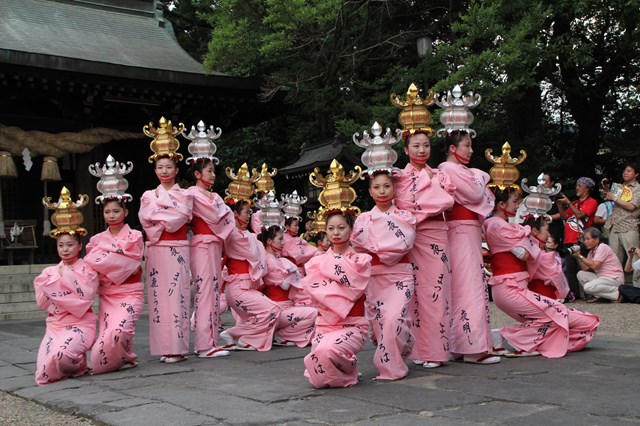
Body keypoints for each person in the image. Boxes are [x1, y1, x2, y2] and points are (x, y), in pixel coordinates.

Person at [484, 187, 600, 358]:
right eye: (515, 202)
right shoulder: (496, 225)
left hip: (512, 287)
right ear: (501, 204)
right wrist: (529, 237)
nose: (517, 206)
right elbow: (524, 254)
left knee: (578, 319)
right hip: (509, 287)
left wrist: (529, 239)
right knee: (558, 315)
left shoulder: (510, 228)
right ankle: (509, 338)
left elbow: (524, 252)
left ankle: (523, 341)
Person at [391, 84, 455, 369]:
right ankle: (418, 348)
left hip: (436, 235)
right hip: (413, 238)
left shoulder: (440, 174)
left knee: (436, 292)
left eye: (426, 145)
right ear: (405, 149)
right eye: (415, 145)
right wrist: (427, 199)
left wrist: (423, 201)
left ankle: (437, 351)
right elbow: (405, 206)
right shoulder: (400, 178)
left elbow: (446, 201)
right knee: (414, 295)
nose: (421, 149)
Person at [439, 130, 500, 365]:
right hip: (461, 229)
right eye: (467, 145)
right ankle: (473, 347)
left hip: (466, 229)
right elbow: (476, 193)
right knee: (469, 286)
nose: (471, 150)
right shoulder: (448, 169)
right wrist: (480, 178)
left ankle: (461, 344)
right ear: (453, 149)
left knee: (465, 286)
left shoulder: (461, 171)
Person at [351, 171, 416, 380]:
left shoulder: (404, 217)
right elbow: (359, 247)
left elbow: (404, 244)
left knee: (394, 318)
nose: (382, 191)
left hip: (400, 275)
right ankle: (392, 361)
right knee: (381, 323)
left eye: (386, 186)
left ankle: (392, 364)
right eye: (377, 187)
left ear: (394, 188)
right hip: (376, 276)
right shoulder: (363, 219)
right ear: (370, 191)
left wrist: (378, 247)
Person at [139, 120, 193, 364]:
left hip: (177, 247)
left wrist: (158, 215)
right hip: (156, 250)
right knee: (160, 297)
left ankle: (178, 348)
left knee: (177, 295)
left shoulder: (184, 194)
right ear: (155, 170)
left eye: (168, 167)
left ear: (176, 169)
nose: (164, 171)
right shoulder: (148, 195)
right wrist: (164, 213)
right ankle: (164, 347)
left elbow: (179, 218)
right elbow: (144, 218)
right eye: (160, 167)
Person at [85, 156, 144, 373]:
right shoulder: (96, 241)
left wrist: (107, 260)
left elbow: (129, 263)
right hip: (108, 295)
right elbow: (93, 264)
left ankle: (125, 356)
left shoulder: (135, 236)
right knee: (102, 347)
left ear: (126, 212)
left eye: (116, 211)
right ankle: (125, 357)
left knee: (120, 330)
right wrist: (115, 259)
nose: (112, 215)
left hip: (130, 293)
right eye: (108, 211)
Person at [35, 188, 98, 385]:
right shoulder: (49, 273)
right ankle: (76, 364)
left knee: (61, 354)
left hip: (81, 324)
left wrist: (63, 283)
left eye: (70, 244)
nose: (65, 249)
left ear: (79, 246)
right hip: (56, 325)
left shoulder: (88, 270)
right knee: (44, 372)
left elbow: (86, 298)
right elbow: (43, 303)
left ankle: (78, 363)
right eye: (61, 245)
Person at [302, 210, 372, 388]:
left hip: (352, 325)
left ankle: (349, 368)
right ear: (325, 231)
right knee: (315, 378)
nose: (336, 232)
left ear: (350, 230)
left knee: (326, 351)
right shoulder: (315, 262)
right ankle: (345, 368)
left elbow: (354, 291)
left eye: (341, 228)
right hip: (325, 326)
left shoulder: (361, 261)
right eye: (331, 228)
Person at [187, 157, 234, 358]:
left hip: (214, 244)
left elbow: (227, 216)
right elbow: (218, 216)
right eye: (209, 171)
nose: (213, 175)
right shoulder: (191, 193)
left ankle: (211, 340)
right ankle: (204, 345)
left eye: (214, 171)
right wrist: (219, 211)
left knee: (213, 291)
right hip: (202, 244)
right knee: (205, 291)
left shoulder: (214, 195)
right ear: (197, 174)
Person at [219, 199, 281, 351]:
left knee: (272, 311)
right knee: (273, 310)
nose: (248, 216)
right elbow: (253, 253)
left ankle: (241, 337)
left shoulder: (248, 235)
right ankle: (235, 334)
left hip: (247, 287)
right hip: (237, 287)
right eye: (246, 212)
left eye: (249, 212)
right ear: (235, 214)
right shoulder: (231, 234)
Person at [259, 225, 317, 347]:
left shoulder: (279, 259)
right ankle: (283, 335)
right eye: (280, 239)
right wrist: (292, 274)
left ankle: (283, 334)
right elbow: (284, 285)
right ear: (269, 241)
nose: (283, 242)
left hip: (288, 305)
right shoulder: (267, 260)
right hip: (277, 308)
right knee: (313, 313)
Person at [554, 177, 598, 298]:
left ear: (587, 188)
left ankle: (590, 293)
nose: (577, 187)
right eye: (577, 185)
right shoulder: (574, 203)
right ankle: (575, 294)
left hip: (583, 241)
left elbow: (579, 215)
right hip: (569, 240)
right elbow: (564, 216)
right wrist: (559, 204)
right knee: (570, 269)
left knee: (584, 268)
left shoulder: (592, 202)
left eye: (580, 185)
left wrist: (568, 203)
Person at [604, 164, 640, 285]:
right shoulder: (619, 187)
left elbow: (631, 206)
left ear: (636, 174)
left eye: (629, 171)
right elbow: (608, 198)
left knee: (635, 257)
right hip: (614, 226)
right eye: (624, 170)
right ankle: (616, 289)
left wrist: (614, 197)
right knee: (614, 259)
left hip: (629, 226)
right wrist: (606, 189)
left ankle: (637, 287)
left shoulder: (638, 188)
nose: (625, 173)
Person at [522, 215, 570, 301]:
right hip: (542, 293)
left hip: (535, 293)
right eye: (547, 230)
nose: (548, 234)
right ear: (535, 231)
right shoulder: (532, 252)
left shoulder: (528, 249)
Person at [575, 228, 625, 303]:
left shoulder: (602, 247)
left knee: (587, 287)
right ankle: (601, 296)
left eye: (588, 239)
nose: (585, 242)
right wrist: (578, 257)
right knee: (580, 274)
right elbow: (585, 268)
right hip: (603, 278)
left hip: (614, 279)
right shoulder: (591, 252)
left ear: (597, 239)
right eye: (584, 239)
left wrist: (580, 256)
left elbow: (595, 266)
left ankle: (618, 293)